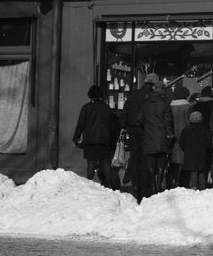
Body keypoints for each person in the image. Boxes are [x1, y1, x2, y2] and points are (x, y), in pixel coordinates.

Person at [73, 85, 120, 190]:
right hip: (104, 140)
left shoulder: (86, 108)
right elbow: (112, 126)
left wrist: (76, 137)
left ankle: (89, 183)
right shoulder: (106, 108)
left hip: (90, 140)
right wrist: (112, 140)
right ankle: (109, 185)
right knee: (105, 163)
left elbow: (80, 124)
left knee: (90, 163)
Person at [121, 72, 158, 201]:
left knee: (135, 158)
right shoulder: (154, 96)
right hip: (148, 131)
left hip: (133, 130)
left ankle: (136, 185)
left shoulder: (133, 95)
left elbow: (125, 112)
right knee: (147, 159)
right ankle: (146, 187)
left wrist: (124, 127)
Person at [138, 79, 175, 199]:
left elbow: (139, 120)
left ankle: (153, 186)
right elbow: (168, 122)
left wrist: (144, 132)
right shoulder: (164, 104)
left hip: (149, 136)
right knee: (161, 162)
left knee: (150, 163)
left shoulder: (145, 103)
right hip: (162, 136)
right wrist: (170, 135)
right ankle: (158, 186)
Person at [179, 110, 213, 190]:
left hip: (189, 155)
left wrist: (186, 150)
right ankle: (202, 187)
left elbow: (181, 143)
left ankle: (193, 186)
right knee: (201, 171)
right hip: (202, 155)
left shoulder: (185, 130)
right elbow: (208, 144)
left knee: (193, 171)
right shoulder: (205, 130)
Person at [169, 86, 192, 188]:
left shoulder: (170, 107)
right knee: (184, 163)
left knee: (174, 163)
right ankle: (181, 183)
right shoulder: (188, 107)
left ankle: (173, 182)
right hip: (185, 140)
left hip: (173, 139)